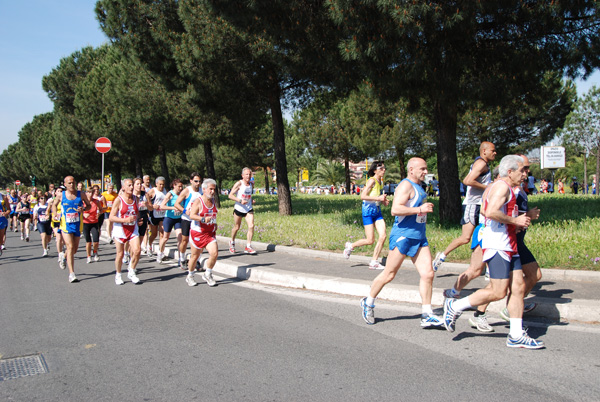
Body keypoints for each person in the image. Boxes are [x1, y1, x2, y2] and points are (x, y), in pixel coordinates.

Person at [442, 155, 544, 349]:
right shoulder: (501, 187)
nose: (525, 174)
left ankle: (515, 335)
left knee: (518, 288)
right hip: (498, 244)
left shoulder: (502, 187)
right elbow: (490, 213)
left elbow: (486, 212)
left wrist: (516, 219)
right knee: (498, 292)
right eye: (522, 170)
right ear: (510, 171)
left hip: (508, 243)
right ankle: (454, 306)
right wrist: (516, 221)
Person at [360, 158, 443, 328]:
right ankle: (368, 302)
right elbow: (395, 209)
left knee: (428, 274)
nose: (425, 172)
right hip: (403, 236)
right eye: (423, 169)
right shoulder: (405, 185)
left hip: (419, 237)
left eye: (426, 169)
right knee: (389, 274)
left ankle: (427, 314)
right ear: (411, 169)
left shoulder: (419, 186)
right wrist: (420, 209)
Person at [432, 141, 496, 271]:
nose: (495, 153)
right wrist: (488, 187)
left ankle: (487, 267)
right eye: (493, 150)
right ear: (484, 151)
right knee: (466, 237)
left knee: (489, 234)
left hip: (481, 205)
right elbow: (467, 181)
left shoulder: (483, 164)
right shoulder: (481, 163)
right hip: (473, 205)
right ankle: (442, 256)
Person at [343, 161, 389, 269]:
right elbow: (363, 196)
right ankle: (351, 246)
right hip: (368, 213)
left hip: (377, 212)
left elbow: (376, 196)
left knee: (383, 236)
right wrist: (379, 198)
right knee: (370, 240)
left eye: (384, 168)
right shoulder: (371, 181)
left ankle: (374, 261)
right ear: (374, 170)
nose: (384, 170)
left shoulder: (380, 181)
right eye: (381, 168)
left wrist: (383, 201)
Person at [52, 176, 91, 283]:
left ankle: (63, 257)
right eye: (69, 183)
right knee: (70, 246)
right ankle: (72, 274)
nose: (71, 185)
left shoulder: (81, 194)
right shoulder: (61, 195)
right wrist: (55, 214)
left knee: (74, 250)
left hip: (78, 225)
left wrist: (83, 209)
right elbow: (54, 205)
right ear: (65, 184)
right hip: (66, 225)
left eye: (73, 182)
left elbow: (89, 205)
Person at [185, 179, 219, 287]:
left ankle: (208, 274)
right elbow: (192, 215)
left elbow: (213, 214)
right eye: (210, 189)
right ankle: (190, 275)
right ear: (204, 189)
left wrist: (214, 223)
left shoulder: (213, 201)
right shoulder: (198, 201)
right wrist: (203, 219)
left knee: (214, 253)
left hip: (209, 233)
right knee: (195, 256)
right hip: (198, 233)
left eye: (214, 189)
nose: (212, 191)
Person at [109, 178, 142, 285]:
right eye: (129, 185)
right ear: (123, 187)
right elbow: (111, 217)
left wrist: (138, 220)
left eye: (132, 185)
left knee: (137, 250)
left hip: (133, 229)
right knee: (120, 254)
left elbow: (137, 213)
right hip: (120, 230)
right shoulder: (119, 200)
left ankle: (131, 271)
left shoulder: (136, 199)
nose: (132, 187)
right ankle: (118, 274)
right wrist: (124, 220)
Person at [174, 172, 203, 268]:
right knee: (184, 240)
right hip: (186, 219)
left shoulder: (202, 191)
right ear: (191, 181)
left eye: (199, 181)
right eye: (195, 181)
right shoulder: (187, 191)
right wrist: (185, 211)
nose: (197, 183)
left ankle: (197, 260)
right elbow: (177, 204)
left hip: (197, 220)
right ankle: (182, 258)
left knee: (198, 241)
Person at [229, 167, 256, 254]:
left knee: (251, 225)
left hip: (248, 208)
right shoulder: (239, 184)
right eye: (246, 174)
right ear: (242, 175)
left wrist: (251, 200)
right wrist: (240, 200)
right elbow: (230, 195)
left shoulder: (252, 184)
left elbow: (249, 195)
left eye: (249, 174)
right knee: (237, 227)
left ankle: (248, 246)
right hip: (239, 208)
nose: (248, 176)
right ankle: (232, 242)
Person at [158, 179, 184, 263]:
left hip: (178, 219)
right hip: (169, 218)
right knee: (165, 238)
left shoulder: (182, 194)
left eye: (181, 186)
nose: (180, 188)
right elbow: (162, 206)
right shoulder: (170, 194)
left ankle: (181, 258)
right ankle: (160, 253)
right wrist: (173, 208)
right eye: (179, 186)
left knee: (180, 238)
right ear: (174, 186)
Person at [146, 177, 168, 258]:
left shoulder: (165, 191)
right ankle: (149, 245)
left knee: (162, 233)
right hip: (154, 214)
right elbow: (146, 199)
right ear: (156, 184)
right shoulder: (153, 191)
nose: (161, 186)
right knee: (154, 234)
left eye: (163, 184)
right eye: (160, 184)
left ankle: (160, 252)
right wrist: (152, 205)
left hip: (163, 215)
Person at [82, 188, 102, 263]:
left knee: (96, 241)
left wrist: (99, 214)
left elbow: (101, 209)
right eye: (88, 192)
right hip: (85, 223)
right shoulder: (82, 202)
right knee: (88, 241)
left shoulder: (96, 201)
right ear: (86, 193)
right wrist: (84, 213)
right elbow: (77, 211)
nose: (90, 194)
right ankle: (88, 256)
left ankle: (95, 252)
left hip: (94, 222)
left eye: (91, 192)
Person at [50, 186, 66, 269]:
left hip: (63, 221)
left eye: (61, 191)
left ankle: (62, 251)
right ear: (55, 192)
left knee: (63, 240)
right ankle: (60, 254)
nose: (60, 192)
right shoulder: (52, 200)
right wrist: (53, 213)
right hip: (56, 221)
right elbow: (49, 209)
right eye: (58, 191)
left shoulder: (65, 199)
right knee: (59, 238)